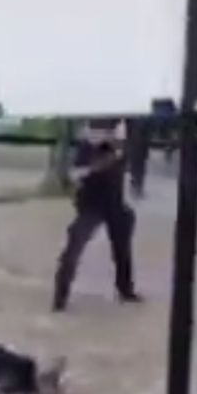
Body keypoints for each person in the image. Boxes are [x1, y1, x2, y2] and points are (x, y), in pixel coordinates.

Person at [52, 120, 143, 312]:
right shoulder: (87, 145)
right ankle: (60, 296)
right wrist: (95, 167)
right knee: (73, 248)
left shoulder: (118, 134)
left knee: (122, 246)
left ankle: (125, 288)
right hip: (91, 206)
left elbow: (120, 156)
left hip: (114, 204)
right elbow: (75, 174)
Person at [123, 117, 151, 199]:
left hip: (139, 147)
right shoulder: (131, 120)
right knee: (137, 168)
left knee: (139, 168)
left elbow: (146, 136)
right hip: (135, 147)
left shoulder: (142, 121)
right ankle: (136, 186)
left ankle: (138, 187)